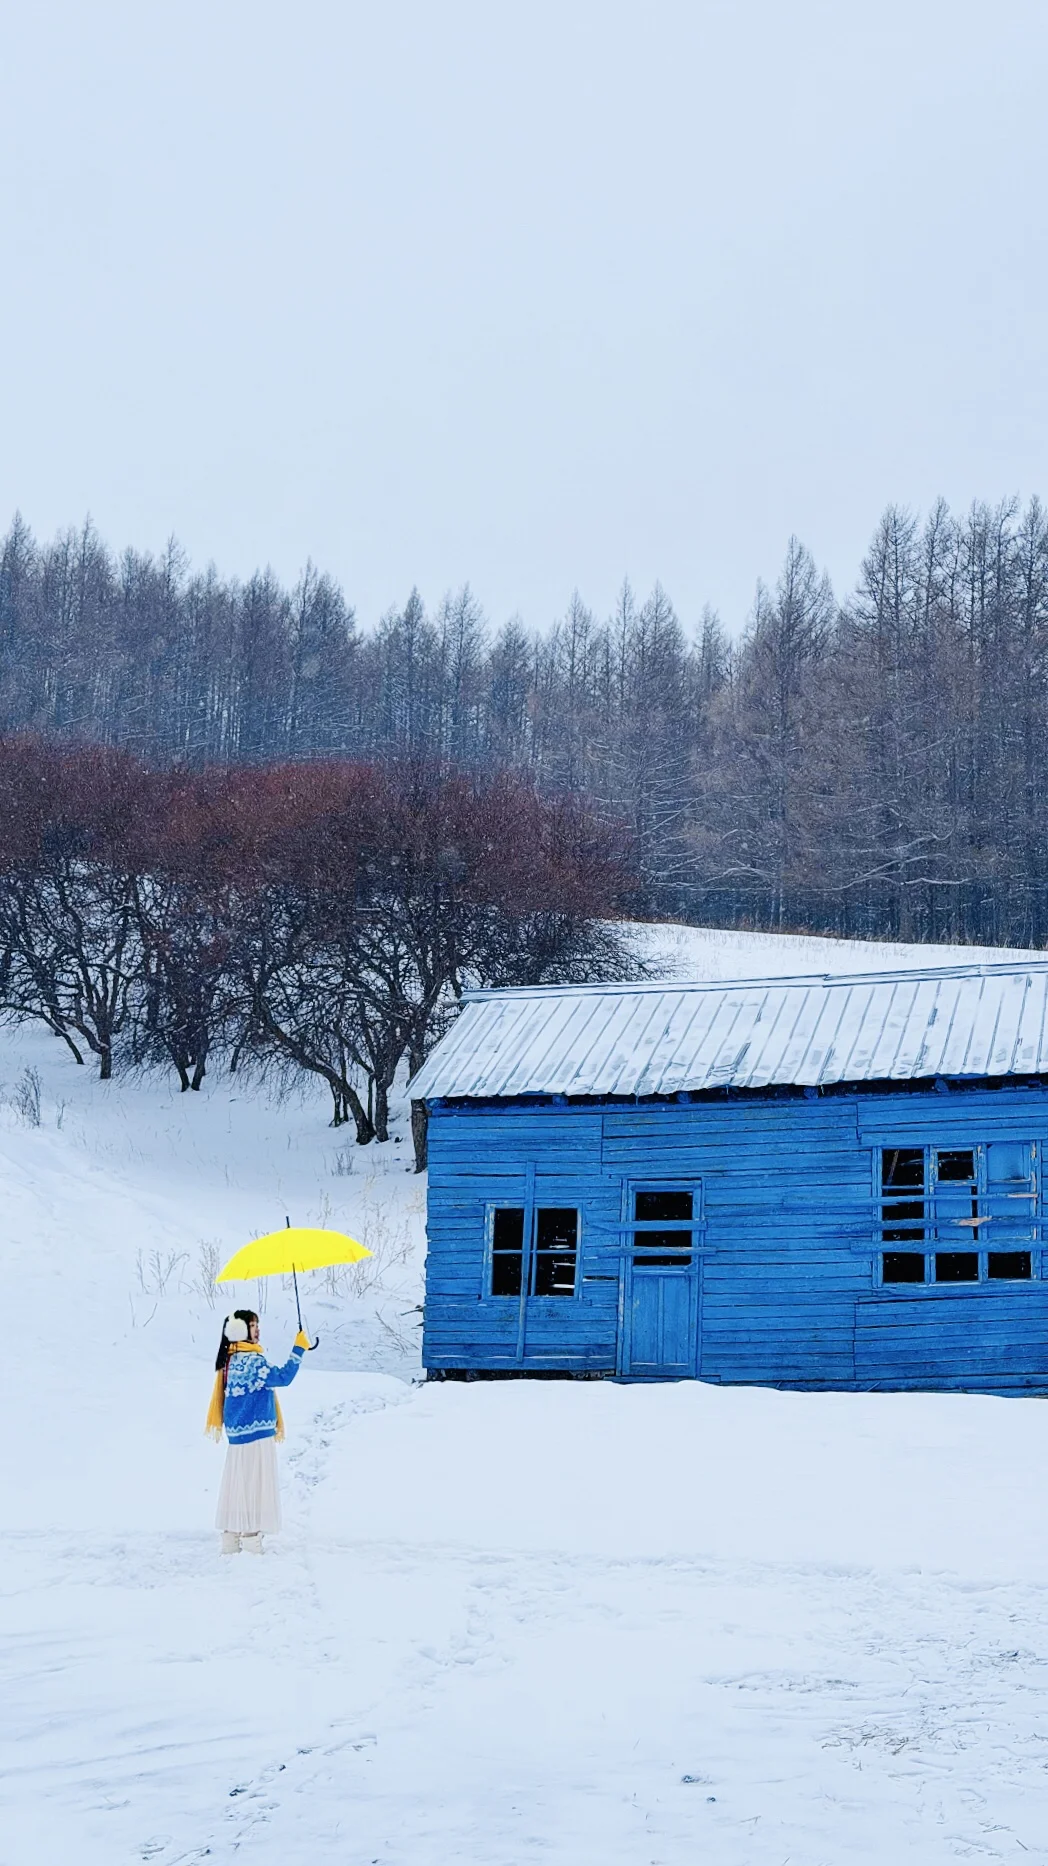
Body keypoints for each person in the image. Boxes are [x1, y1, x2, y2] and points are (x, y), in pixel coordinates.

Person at [205, 1308, 313, 1554]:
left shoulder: (229, 1359)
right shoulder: (253, 1360)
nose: (258, 1330)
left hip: (237, 1434)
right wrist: (299, 1349)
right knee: (255, 1485)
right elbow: (282, 1378)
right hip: (257, 1432)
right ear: (240, 1331)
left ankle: (230, 1539)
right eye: (253, 1326)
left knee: (237, 1485)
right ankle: (252, 1540)